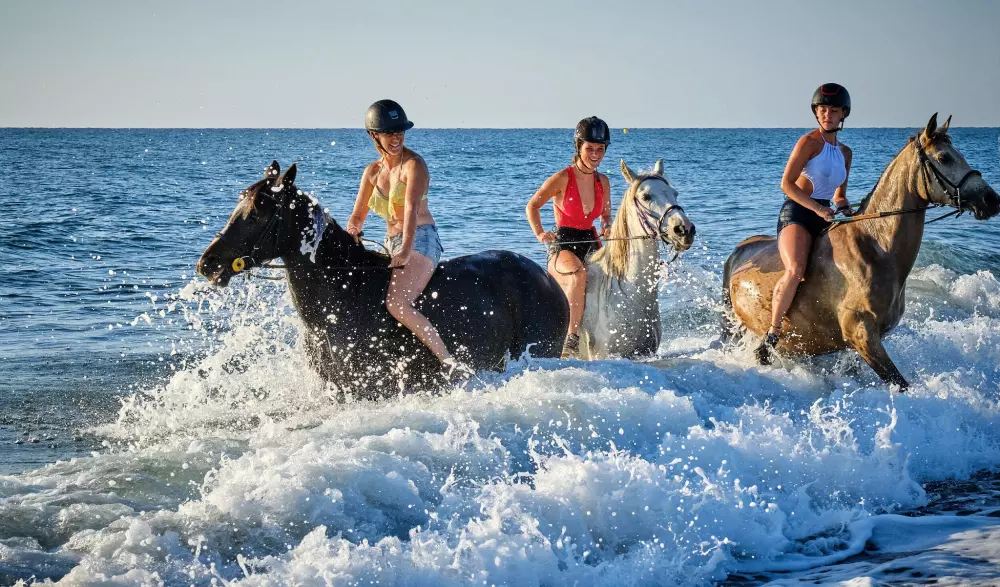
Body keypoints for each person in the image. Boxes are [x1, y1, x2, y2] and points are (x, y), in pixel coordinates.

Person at [346, 99, 471, 378]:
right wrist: (352, 232)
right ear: (373, 135)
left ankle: (449, 363)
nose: (396, 138)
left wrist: (405, 249)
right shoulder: (372, 172)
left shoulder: (414, 165)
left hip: (421, 239)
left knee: (396, 303)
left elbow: (412, 210)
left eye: (400, 132)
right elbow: (357, 217)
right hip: (390, 242)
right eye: (389, 133)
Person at [756, 83, 854, 364]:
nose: (827, 115)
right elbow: (786, 184)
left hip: (825, 215)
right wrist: (818, 209)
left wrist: (847, 210)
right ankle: (772, 334)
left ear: (843, 114)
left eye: (833, 110)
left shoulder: (846, 153)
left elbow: (839, 196)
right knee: (796, 269)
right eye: (822, 110)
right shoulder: (808, 142)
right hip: (797, 213)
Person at [525, 116, 613, 358]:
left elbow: (606, 214)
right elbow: (532, 206)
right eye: (590, 148)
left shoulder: (603, 182)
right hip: (563, 244)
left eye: (600, 149)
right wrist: (540, 233)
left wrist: (606, 225)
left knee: (615, 278)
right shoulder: (563, 177)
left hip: (592, 241)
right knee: (578, 274)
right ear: (579, 146)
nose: (595, 154)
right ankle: (571, 340)